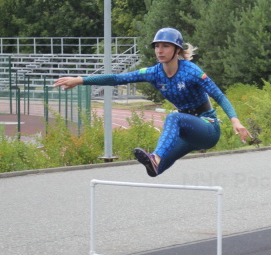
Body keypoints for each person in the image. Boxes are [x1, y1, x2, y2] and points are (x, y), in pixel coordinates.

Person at [54, 28, 251, 176]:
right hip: (187, 134)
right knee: (154, 171)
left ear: (176, 49)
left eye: (165, 46)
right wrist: (81, 80)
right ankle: (155, 162)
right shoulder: (153, 73)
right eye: (157, 46)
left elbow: (219, 96)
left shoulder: (191, 71)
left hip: (208, 128)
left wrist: (235, 121)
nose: (159, 50)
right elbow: (117, 79)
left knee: (174, 118)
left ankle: (154, 157)